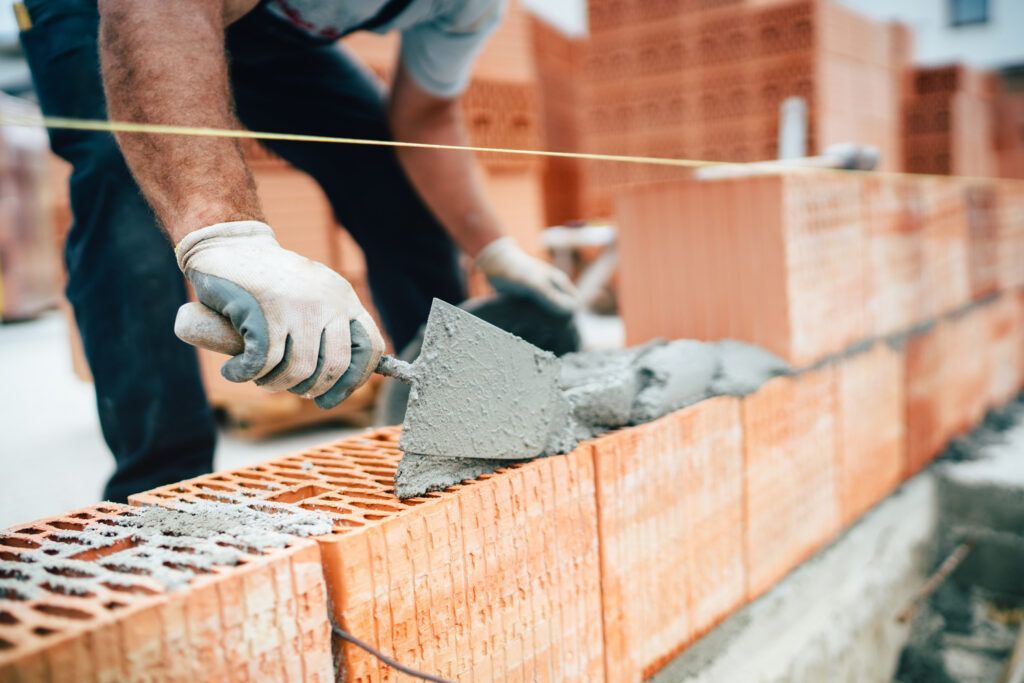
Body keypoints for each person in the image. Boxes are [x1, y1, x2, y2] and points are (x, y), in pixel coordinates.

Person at [18, 0, 577, 501]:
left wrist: (493, 250)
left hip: (261, 22)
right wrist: (226, 235)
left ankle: (453, 417)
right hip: (113, 9)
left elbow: (424, 116)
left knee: (385, 166)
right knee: (125, 185)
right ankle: (163, 490)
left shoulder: (467, 8)